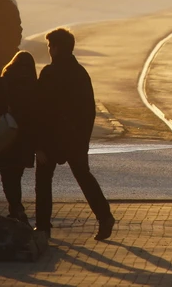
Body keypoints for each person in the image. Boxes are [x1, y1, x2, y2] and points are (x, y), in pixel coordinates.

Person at [35, 28, 114, 240]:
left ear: (57, 49)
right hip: (74, 139)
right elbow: (88, 111)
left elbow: (40, 109)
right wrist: (83, 139)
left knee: (43, 181)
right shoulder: (80, 74)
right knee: (83, 176)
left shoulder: (49, 73)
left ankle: (42, 226)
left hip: (51, 138)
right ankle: (104, 216)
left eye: (51, 46)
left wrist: (39, 143)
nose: (49, 50)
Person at [0, 50, 38, 226]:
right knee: (17, 173)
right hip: (25, 137)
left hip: (5, 132)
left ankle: (15, 207)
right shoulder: (34, 85)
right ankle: (16, 208)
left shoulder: (1, 83)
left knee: (7, 175)